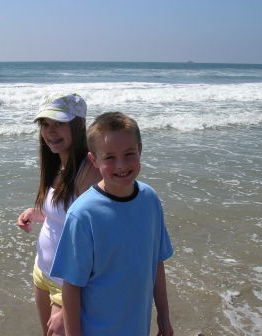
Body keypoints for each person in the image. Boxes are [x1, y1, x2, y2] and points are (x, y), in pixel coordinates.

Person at [50, 112, 174, 336]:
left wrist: (164, 317)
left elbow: (157, 263)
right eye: (109, 157)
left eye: (129, 154)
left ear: (140, 150)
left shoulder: (150, 200)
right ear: (94, 160)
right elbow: (71, 287)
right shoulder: (83, 214)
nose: (121, 165)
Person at [17, 93, 101, 336]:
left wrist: (69, 306)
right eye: (45, 124)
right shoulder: (57, 164)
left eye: (59, 123)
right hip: (42, 272)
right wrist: (36, 213)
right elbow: (65, 213)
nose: (50, 132)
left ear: (81, 123)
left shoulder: (90, 172)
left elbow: (101, 244)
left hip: (68, 283)